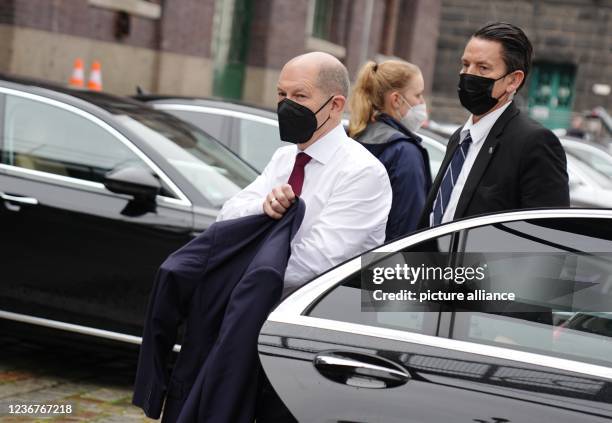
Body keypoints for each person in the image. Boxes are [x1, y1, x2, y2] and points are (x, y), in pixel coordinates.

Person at [217, 51, 392, 293]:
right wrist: (263, 207)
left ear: (335, 105)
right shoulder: (284, 158)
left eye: (300, 96)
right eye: (281, 94)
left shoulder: (362, 172)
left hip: (311, 317)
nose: (286, 105)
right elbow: (227, 216)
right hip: (256, 304)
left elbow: (316, 262)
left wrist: (239, 268)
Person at [418, 22, 569, 228]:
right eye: (465, 64)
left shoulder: (534, 143)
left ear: (513, 81)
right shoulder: (459, 138)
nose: (468, 74)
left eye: (483, 68)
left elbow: (549, 238)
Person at [349, 60, 431, 240]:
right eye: (418, 95)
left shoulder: (355, 137)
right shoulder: (405, 152)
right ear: (396, 100)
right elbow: (408, 230)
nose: (422, 103)